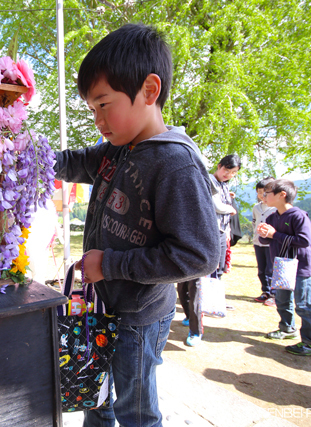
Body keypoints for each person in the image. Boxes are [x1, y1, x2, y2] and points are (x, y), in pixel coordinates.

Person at [53, 23, 220, 427]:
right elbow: (72, 162)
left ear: (149, 90)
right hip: (103, 309)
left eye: (103, 104)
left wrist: (109, 265)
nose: (97, 120)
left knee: (135, 411)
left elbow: (199, 255)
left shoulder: (174, 164)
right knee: (97, 396)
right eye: (91, 109)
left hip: (138, 319)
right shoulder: (116, 149)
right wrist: (22, 157)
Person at [257, 179, 311, 356]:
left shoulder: (298, 216)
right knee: (282, 300)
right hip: (280, 266)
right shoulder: (272, 216)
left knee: (303, 305)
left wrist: (275, 234)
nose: (264, 197)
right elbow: (267, 240)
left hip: (300, 268)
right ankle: (287, 328)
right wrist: (264, 234)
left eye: (267, 194)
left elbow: (304, 241)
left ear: (282, 195)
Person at [209, 154, 240, 280]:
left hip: (222, 230)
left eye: (233, 172)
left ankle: (213, 296)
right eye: (226, 170)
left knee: (220, 268)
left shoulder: (224, 184)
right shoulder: (210, 180)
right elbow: (217, 206)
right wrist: (230, 209)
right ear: (219, 166)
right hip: (212, 230)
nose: (229, 174)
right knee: (211, 267)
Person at [252, 177, 277, 306]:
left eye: (265, 192)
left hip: (270, 243)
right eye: (259, 192)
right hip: (258, 242)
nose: (262, 195)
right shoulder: (256, 208)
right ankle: (265, 292)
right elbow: (254, 223)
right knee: (261, 269)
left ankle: (274, 294)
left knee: (270, 269)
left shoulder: (274, 208)